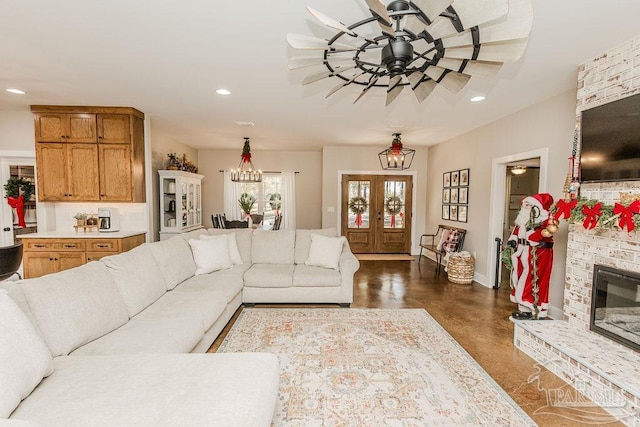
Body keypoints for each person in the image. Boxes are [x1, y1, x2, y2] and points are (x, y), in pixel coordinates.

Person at [506, 193, 557, 319]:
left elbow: (546, 233)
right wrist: (513, 240)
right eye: (525, 204)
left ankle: (536, 310)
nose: (526, 206)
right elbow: (516, 231)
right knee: (520, 278)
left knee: (534, 280)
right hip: (522, 252)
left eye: (529, 204)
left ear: (537, 207)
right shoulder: (524, 218)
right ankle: (524, 308)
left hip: (538, 254)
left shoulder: (545, 219)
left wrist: (532, 236)